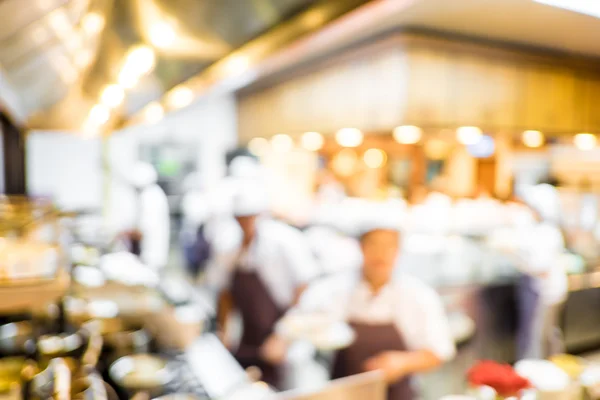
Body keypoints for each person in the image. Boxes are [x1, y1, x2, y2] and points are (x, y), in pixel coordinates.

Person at [265, 203, 456, 399]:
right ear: (361, 247)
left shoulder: (417, 295)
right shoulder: (333, 289)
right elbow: (298, 322)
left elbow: (439, 352)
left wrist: (402, 362)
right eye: (374, 244)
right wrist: (281, 339)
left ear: (398, 250)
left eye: (388, 245)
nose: (381, 253)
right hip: (344, 394)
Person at [202, 183, 320, 388]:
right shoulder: (228, 244)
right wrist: (224, 330)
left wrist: (283, 334)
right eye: (240, 217)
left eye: (250, 216)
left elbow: (306, 289)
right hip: (248, 338)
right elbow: (224, 292)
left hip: (285, 336)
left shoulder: (285, 241)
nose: (245, 222)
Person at [516, 183, 568, 359]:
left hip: (545, 292)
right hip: (550, 291)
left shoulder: (546, 233)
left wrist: (517, 259)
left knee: (538, 336)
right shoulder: (545, 231)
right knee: (547, 334)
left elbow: (541, 267)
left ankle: (539, 371)